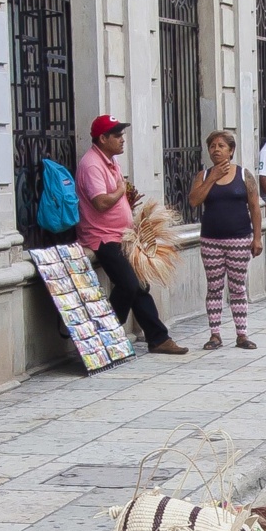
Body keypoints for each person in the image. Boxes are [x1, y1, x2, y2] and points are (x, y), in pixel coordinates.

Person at [71, 116, 185, 357]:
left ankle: (159, 338)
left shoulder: (110, 161)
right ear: (102, 138)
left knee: (140, 286)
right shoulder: (92, 164)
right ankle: (106, 335)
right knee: (128, 284)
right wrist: (121, 190)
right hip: (101, 238)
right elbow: (101, 202)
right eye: (117, 135)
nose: (122, 140)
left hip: (120, 235)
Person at [190, 129, 263, 350]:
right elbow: (194, 201)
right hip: (211, 240)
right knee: (214, 287)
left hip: (239, 239)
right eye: (212, 146)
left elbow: (254, 207)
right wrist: (211, 178)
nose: (216, 150)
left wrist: (257, 237)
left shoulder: (244, 175)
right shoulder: (202, 176)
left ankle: (242, 334)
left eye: (221, 146)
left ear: (231, 150)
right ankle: (215, 334)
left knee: (238, 287)